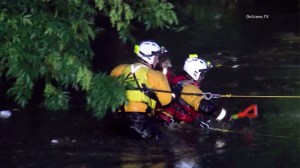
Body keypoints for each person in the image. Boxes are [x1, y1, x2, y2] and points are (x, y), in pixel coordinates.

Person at [110, 40, 172, 139]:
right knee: (162, 146)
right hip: (140, 121)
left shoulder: (119, 69)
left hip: (118, 119)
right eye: (157, 57)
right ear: (150, 57)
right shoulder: (156, 75)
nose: (157, 60)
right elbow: (166, 101)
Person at [156, 54, 228, 129]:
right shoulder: (188, 87)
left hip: (178, 119)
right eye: (202, 74)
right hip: (182, 125)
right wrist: (225, 116)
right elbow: (203, 106)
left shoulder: (179, 79)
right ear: (195, 73)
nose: (203, 77)